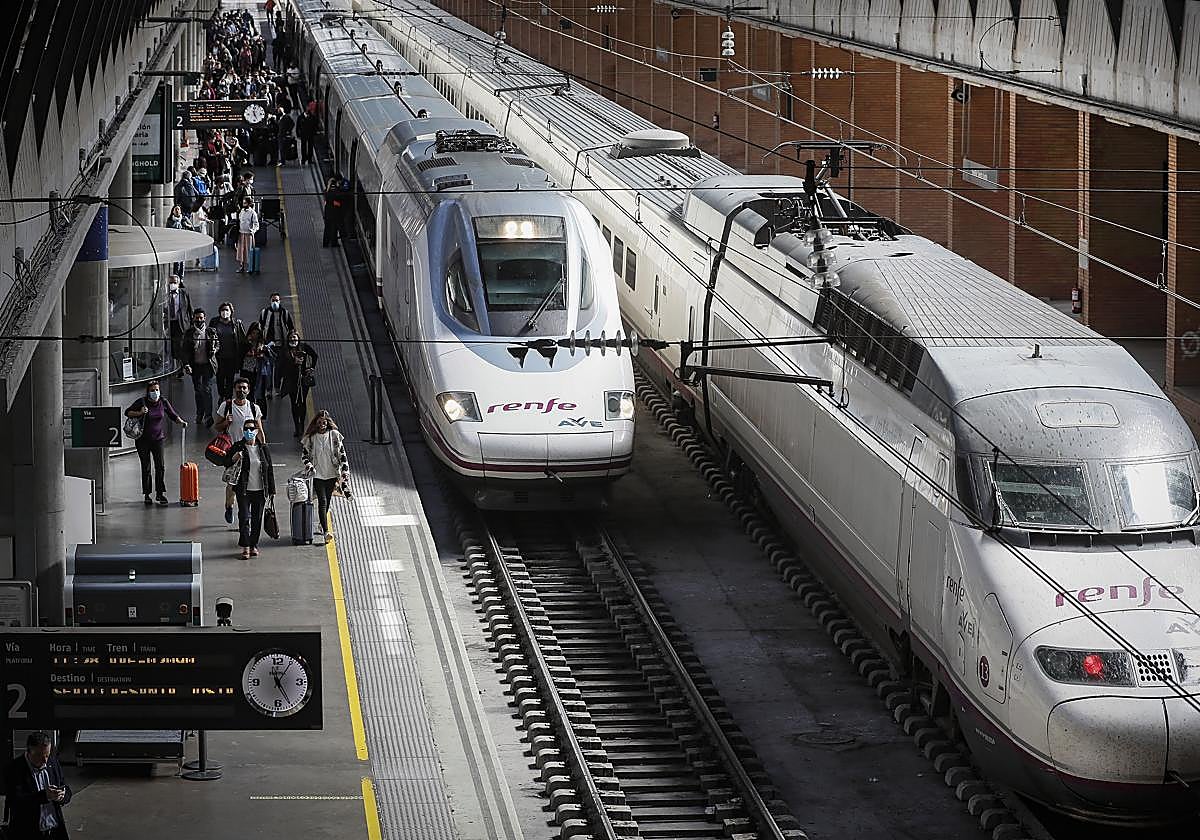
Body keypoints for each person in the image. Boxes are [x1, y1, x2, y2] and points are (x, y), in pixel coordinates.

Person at [125, 380, 187, 506]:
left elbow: (172, 415)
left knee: (160, 466)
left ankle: (160, 493)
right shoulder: (141, 402)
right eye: (152, 390)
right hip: (143, 440)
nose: (155, 392)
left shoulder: (163, 402)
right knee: (146, 467)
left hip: (158, 439)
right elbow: (127, 412)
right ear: (148, 392)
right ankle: (147, 494)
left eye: (157, 390)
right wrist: (140, 413)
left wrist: (181, 422)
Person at [222, 417, 276, 559]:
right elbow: (226, 462)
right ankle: (245, 546)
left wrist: (272, 491)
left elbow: (269, 470)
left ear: (257, 431)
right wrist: (234, 458)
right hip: (244, 490)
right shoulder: (238, 447)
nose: (249, 431)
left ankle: (253, 545)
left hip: (260, 490)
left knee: (256, 519)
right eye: (246, 429)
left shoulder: (263, 449)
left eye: (252, 429)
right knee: (244, 517)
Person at [216, 378, 266, 525]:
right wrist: (226, 422)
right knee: (232, 484)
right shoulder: (226, 406)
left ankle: (244, 516)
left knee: (246, 484)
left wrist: (263, 449)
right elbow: (216, 426)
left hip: (251, 451)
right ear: (234, 389)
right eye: (239, 387)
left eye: (244, 388)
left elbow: (260, 430)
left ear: (248, 390)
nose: (241, 390)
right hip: (233, 451)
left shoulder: (254, 408)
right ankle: (229, 506)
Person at [4, 731, 72, 839]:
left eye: (47, 755)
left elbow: (66, 788)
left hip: (54, 830)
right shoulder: (14, 769)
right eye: (39, 755)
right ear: (29, 751)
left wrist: (62, 795)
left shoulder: (52, 763)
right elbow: (15, 801)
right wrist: (45, 796)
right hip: (28, 832)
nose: (45, 760)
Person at [301, 410, 351, 545]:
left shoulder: (334, 435)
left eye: (324, 422)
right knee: (322, 501)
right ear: (316, 423)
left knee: (327, 500)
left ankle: (322, 525)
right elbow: (304, 456)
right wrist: (310, 466)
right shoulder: (311, 438)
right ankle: (326, 531)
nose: (322, 425)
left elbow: (342, 454)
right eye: (319, 422)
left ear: (328, 422)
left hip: (332, 474)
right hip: (317, 474)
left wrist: (345, 471)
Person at [182, 308, 220, 426]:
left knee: (207, 390)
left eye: (201, 318)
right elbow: (185, 351)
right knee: (198, 391)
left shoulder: (210, 332)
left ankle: (208, 416)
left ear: (204, 318)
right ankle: (200, 413)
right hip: (195, 366)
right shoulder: (189, 333)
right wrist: (186, 364)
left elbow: (217, 344)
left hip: (207, 366)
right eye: (197, 318)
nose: (199, 320)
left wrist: (215, 350)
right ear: (193, 318)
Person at [278, 330, 318, 437]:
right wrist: (293, 363)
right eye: (291, 338)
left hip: (303, 380)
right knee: (294, 403)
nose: (293, 339)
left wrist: (311, 368)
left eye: (295, 337)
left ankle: (302, 425)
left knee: (302, 402)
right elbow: (280, 365)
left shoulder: (304, 347)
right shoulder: (284, 351)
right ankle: (297, 427)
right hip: (291, 381)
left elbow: (314, 355)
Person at [257, 293, 294, 397]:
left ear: (280, 301)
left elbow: (291, 328)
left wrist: (290, 341)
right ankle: (268, 390)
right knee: (269, 368)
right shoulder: (264, 313)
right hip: (268, 345)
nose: (275, 302)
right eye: (273, 300)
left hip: (281, 345)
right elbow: (260, 328)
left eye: (277, 300)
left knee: (278, 368)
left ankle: (277, 388)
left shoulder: (285, 313)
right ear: (270, 301)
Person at [211, 301, 248, 401]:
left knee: (230, 379)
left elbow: (243, 340)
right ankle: (221, 395)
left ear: (231, 312)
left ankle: (228, 397)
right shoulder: (214, 322)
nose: (225, 312)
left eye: (227, 310)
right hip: (218, 357)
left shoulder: (236, 324)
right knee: (219, 378)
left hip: (232, 357)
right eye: (223, 310)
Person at [163, 274, 193, 376]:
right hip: (169, 323)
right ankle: (171, 366)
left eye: (175, 282)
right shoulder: (164, 294)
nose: (172, 284)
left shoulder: (184, 293)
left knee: (180, 346)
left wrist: (192, 324)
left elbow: (189, 309)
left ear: (179, 283)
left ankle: (179, 368)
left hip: (180, 323)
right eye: (171, 282)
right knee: (169, 346)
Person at [240, 321, 269, 399]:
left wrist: (263, 354)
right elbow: (240, 354)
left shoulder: (263, 344)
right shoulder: (245, 342)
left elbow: (268, 356)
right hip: (247, 370)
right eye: (253, 333)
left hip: (260, 370)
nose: (255, 335)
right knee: (249, 392)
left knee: (260, 394)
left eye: (257, 333)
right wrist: (248, 347)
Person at [236, 196, 259, 274]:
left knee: (248, 251)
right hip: (241, 233)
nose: (243, 204)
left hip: (248, 234)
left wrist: (253, 231)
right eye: (243, 202)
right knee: (240, 251)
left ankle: (250, 266)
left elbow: (256, 224)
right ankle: (241, 266)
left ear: (249, 204)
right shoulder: (241, 211)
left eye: (245, 203)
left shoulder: (252, 213)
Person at [322, 177, 343, 247]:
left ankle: (325, 243)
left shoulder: (326, 191)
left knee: (327, 228)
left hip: (327, 213)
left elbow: (328, 199)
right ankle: (334, 243)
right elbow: (340, 202)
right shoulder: (337, 191)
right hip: (335, 213)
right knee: (334, 228)